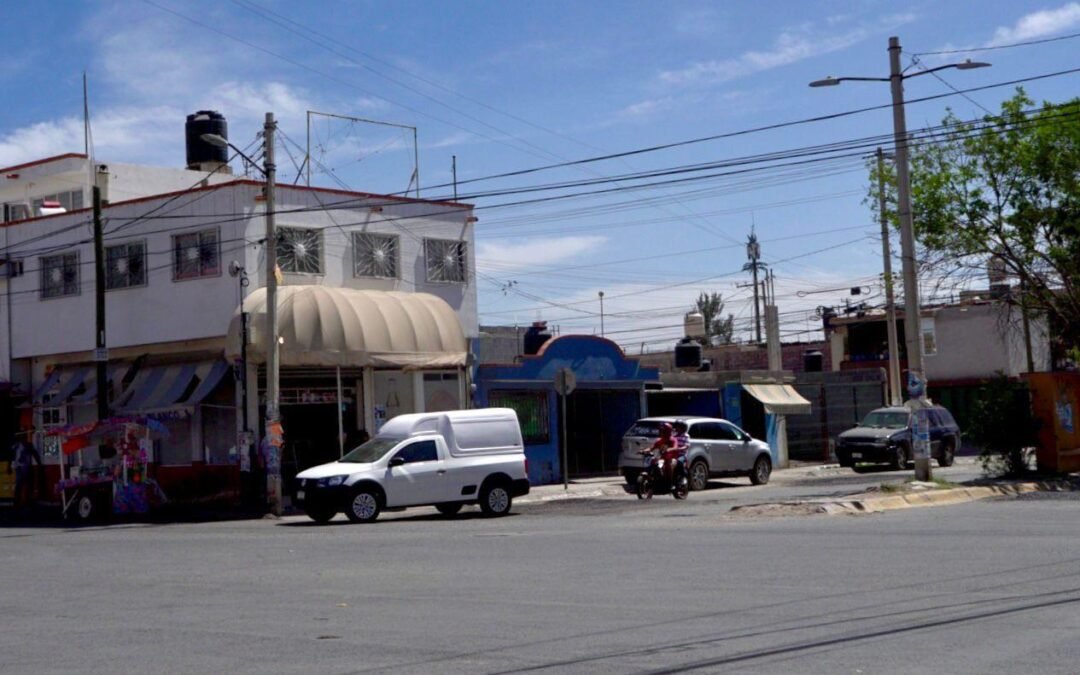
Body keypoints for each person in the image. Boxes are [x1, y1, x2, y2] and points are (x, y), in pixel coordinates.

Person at [11, 429, 42, 511]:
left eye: (23, 436)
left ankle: (28, 503)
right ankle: (17, 504)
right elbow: (11, 456)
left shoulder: (28, 445)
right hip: (19, 468)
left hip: (27, 467)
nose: (22, 438)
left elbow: (35, 454)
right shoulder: (16, 446)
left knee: (28, 485)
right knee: (19, 486)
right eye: (21, 437)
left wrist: (39, 463)